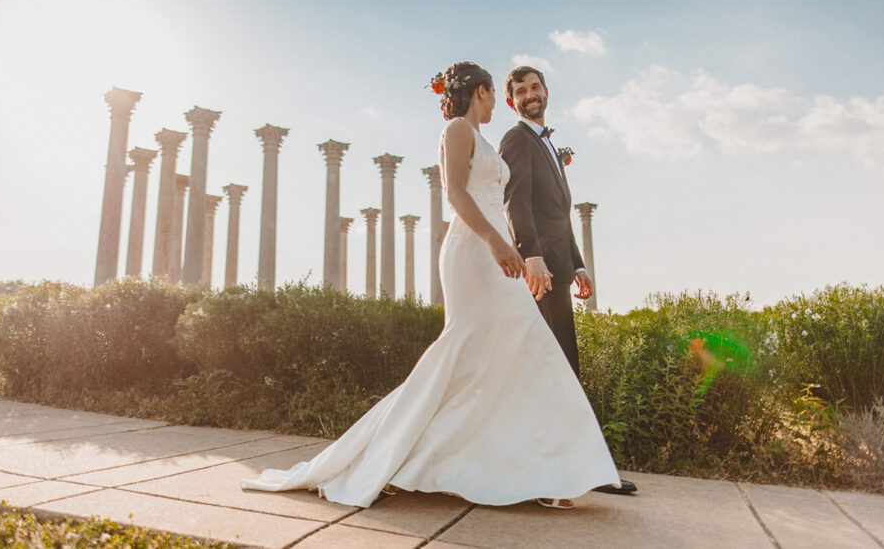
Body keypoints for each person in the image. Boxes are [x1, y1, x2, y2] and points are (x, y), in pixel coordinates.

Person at [241, 61, 620, 509]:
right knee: (481, 347)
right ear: (480, 91)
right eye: (494, 93)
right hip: (476, 252)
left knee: (507, 353)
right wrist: (499, 242)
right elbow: (455, 193)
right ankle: (427, 460)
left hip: (495, 252)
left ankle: (538, 470)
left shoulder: (481, 138)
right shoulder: (458, 129)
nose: (498, 102)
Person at [499, 64, 637, 496]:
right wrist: (533, 256)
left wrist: (576, 263)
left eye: (535, 87)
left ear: (546, 91)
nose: (530, 94)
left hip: (559, 269)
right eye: (521, 91)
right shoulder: (517, 139)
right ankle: (567, 472)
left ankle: (578, 469)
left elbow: (557, 213)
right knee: (556, 371)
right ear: (511, 102)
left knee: (563, 370)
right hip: (540, 273)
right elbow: (516, 202)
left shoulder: (548, 144)